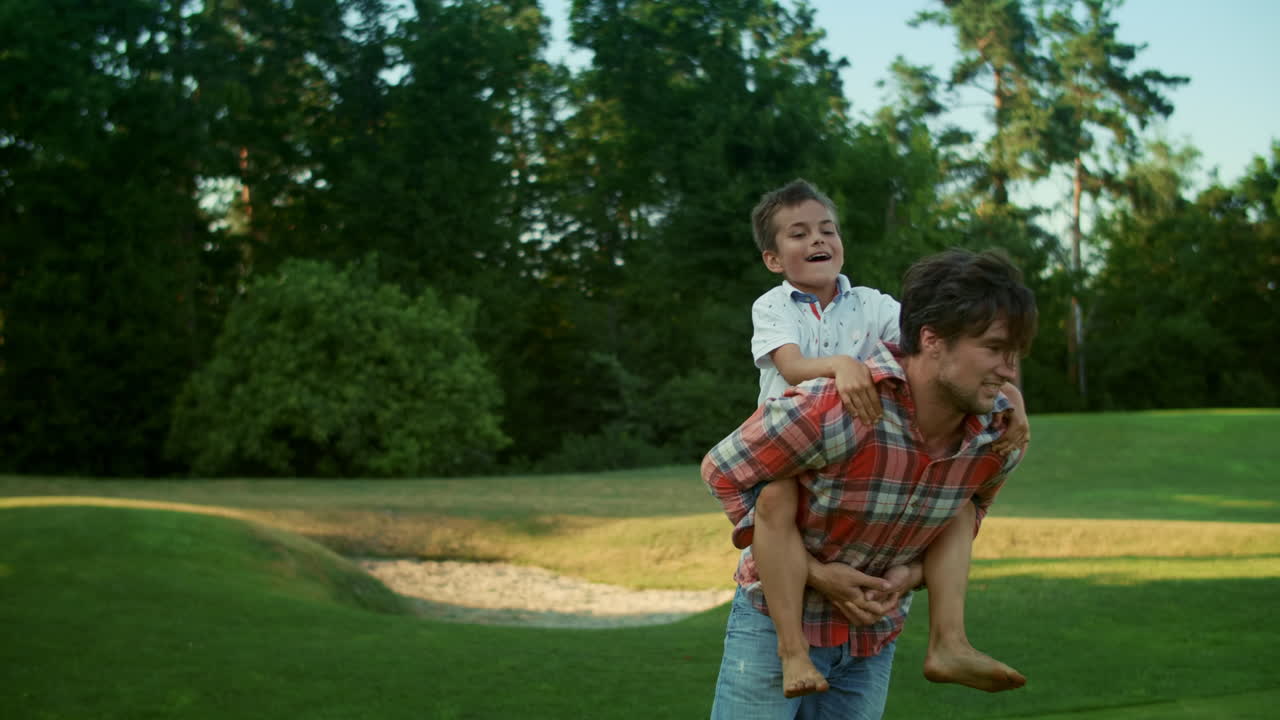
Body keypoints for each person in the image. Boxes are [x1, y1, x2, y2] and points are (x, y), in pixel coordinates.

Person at [704, 247, 1038, 718]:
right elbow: (723, 473)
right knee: (775, 492)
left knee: (960, 507)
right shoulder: (835, 410)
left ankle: (950, 642)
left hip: (872, 639)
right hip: (772, 630)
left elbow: (971, 512)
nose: (1009, 372)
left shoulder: (997, 439)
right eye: (994, 349)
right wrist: (817, 575)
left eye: (1015, 355)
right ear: (933, 339)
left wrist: (915, 574)